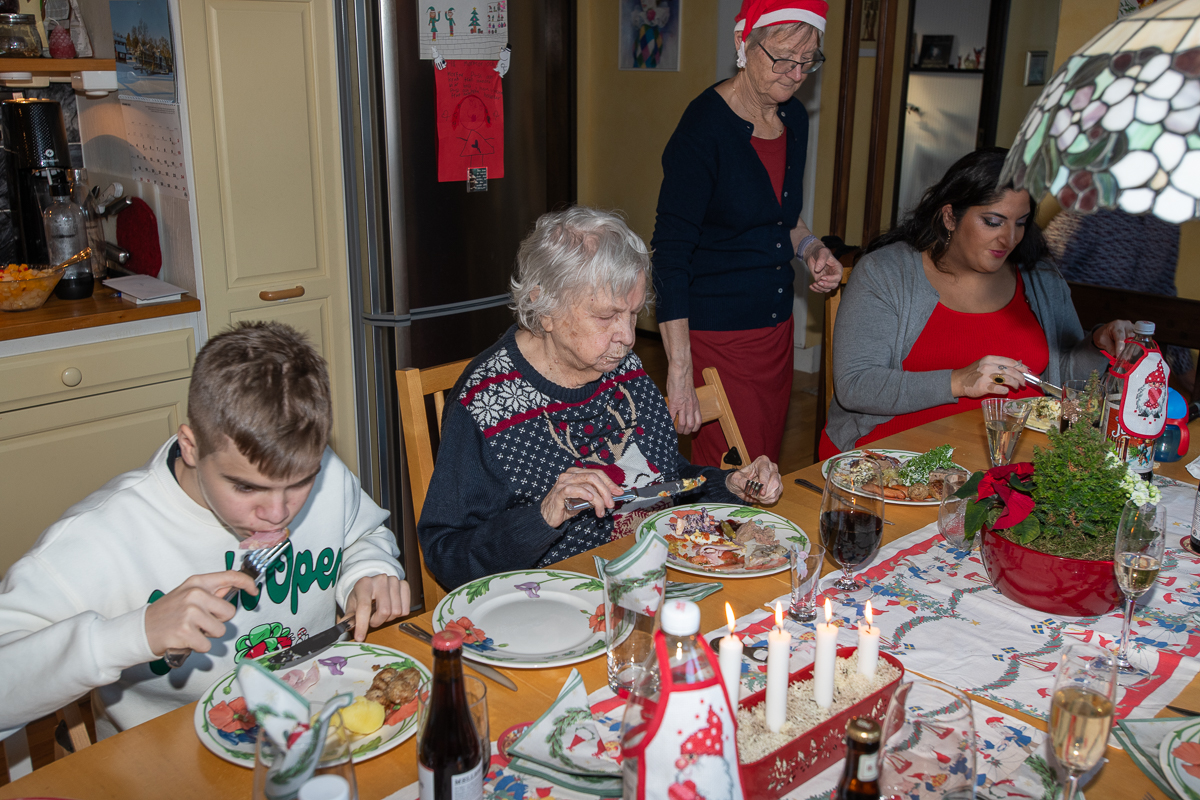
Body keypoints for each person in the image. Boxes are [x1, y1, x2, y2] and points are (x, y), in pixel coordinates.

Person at [0, 322, 411, 737]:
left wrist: (368, 572)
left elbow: (362, 534)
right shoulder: (101, 539)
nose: (277, 512)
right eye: (246, 487)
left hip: (317, 716)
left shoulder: (322, 473)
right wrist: (134, 633)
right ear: (191, 447)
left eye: (301, 482)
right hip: (165, 755)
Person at [418, 207, 784, 590]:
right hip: (555, 603)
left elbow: (666, 480)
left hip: (659, 575)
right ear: (546, 307)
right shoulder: (486, 403)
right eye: (606, 316)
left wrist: (729, 485)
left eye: (634, 313)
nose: (627, 336)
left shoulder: (621, 365)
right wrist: (543, 516)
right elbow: (447, 556)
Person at [821, 148, 1133, 457]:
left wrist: (1097, 343)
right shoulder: (887, 272)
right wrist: (958, 381)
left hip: (1012, 456)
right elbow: (856, 385)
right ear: (949, 217)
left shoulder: (1041, 277)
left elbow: (1061, 382)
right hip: (893, 457)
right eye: (993, 222)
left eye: (1020, 222)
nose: (1009, 239)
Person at [651, 0, 843, 468]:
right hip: (719, 338)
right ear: (743, 43)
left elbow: (783, 218)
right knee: (733, 473)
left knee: (764, 465)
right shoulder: (704, 129)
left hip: (776, 331)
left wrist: (811, 247)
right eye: (781, 57)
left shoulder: (792, 118)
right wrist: (679, 367)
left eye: (807, 62)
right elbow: (669, 254)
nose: (795, 74)